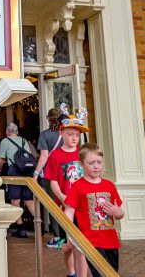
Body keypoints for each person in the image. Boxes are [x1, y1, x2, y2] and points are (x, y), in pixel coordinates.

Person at [64, 142, 124, 277]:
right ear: (81, 164)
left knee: (112, 273)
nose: (96, 166)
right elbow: (69, 211)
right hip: (90, 242)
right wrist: (70, 234)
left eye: (99, 162)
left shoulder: (109, 185)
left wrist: (117, 212)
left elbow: (120, 212)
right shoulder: (77, 187)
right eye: (91, 163)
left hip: (111, 241)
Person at [43, 109, 90, 277]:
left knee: (82, 246)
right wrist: (62, 197)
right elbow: (53, 181)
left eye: (77, 135)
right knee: (68, 246)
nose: (74, 138)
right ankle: (71, 272)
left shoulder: (83, 154)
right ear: (61, 133)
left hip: (83, 206)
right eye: (70, 134)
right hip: (66, 207)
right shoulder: (55, 155)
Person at [0, 122, 37, 238]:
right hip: (28, 171)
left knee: (15, 199)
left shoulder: (5, 141)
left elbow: (1, 159)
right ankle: (39, 224)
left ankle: (21, 228)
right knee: (29, 199)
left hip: (14, 171)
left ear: (6, 132)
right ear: (17, 132)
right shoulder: (24, 140)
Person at [33, 107, 64, 249]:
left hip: (50, 174)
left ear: (48, 119)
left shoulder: (45, 135)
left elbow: (44, 156)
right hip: (66, 173)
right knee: (66, 204)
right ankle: (69, 235)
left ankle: (57, 237)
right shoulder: (66, 134)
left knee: (53, 205)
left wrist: (36, 173)